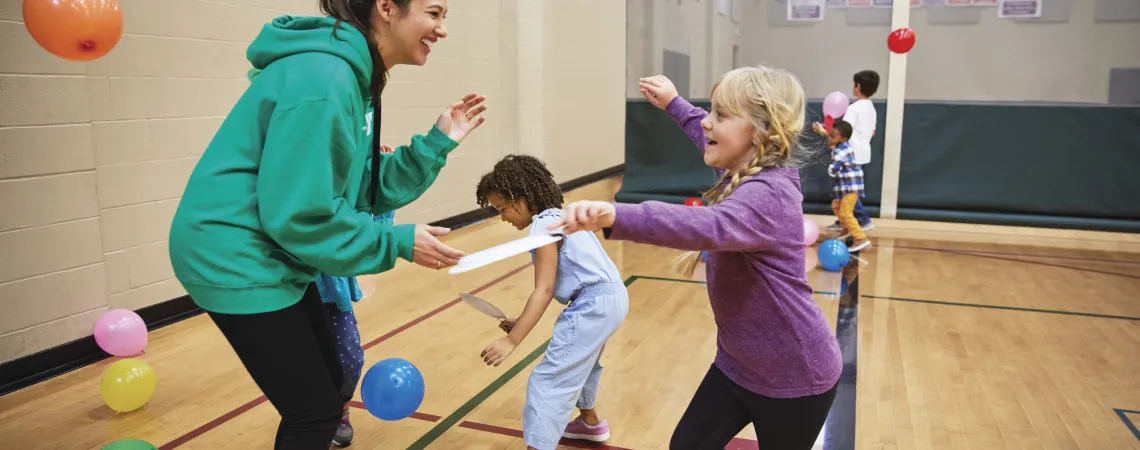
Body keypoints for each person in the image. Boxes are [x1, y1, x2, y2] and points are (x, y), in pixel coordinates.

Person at [168, 1, 488, 447]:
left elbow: (362, 189)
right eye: (433, 13)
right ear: (387, 7)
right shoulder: (327, 78)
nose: (442, 29)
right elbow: (301, 214)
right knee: (314, 412)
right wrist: (396, 241)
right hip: (233, 252)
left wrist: (437, 142)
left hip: (271, 248)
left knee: (332, 383)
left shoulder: (352, 76)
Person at [554, 68, 841, 449]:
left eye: (721, 114)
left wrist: (616, 215)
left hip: (795, 377)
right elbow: (701, 131)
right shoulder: (741, 170)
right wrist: (674, 103)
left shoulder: (770, 193)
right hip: (738, 365)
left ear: (758, 132)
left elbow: (708, 225)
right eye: (711, 110)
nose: (707, 121)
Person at [474, 155, 629, 450]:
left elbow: (544, 289)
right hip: (613, 298)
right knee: (583, 362)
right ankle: (589, 423)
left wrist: (512, 341)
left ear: (524, 197)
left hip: (592, 304)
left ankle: (538, 446)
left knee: (549, 380)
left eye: (503, 209)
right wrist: (521, 322)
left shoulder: (543, 227)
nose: (503, 217)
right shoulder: (563, 216)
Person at [817, 70, 879, 233]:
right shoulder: (871, 108)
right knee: (848, 190)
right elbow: (872, 132)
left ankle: (863, 220)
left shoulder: (854, 108)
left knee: (848, 191)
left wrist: (823, 131)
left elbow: (841, 132)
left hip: (850, 155)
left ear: (858, 86)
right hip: (863, 154)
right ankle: (843, 220)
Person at [826, 120, 870, 251]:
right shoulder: (841, 146)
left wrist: (831, 170)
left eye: (832, 137)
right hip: (844, 186)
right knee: (836, 205)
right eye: (829, 135)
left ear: (844, 138)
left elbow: (835, 167)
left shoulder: (841, 151)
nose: (830, 139)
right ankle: (846, 229)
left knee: (846, 212)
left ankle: (860, 238)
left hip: (851, 187)